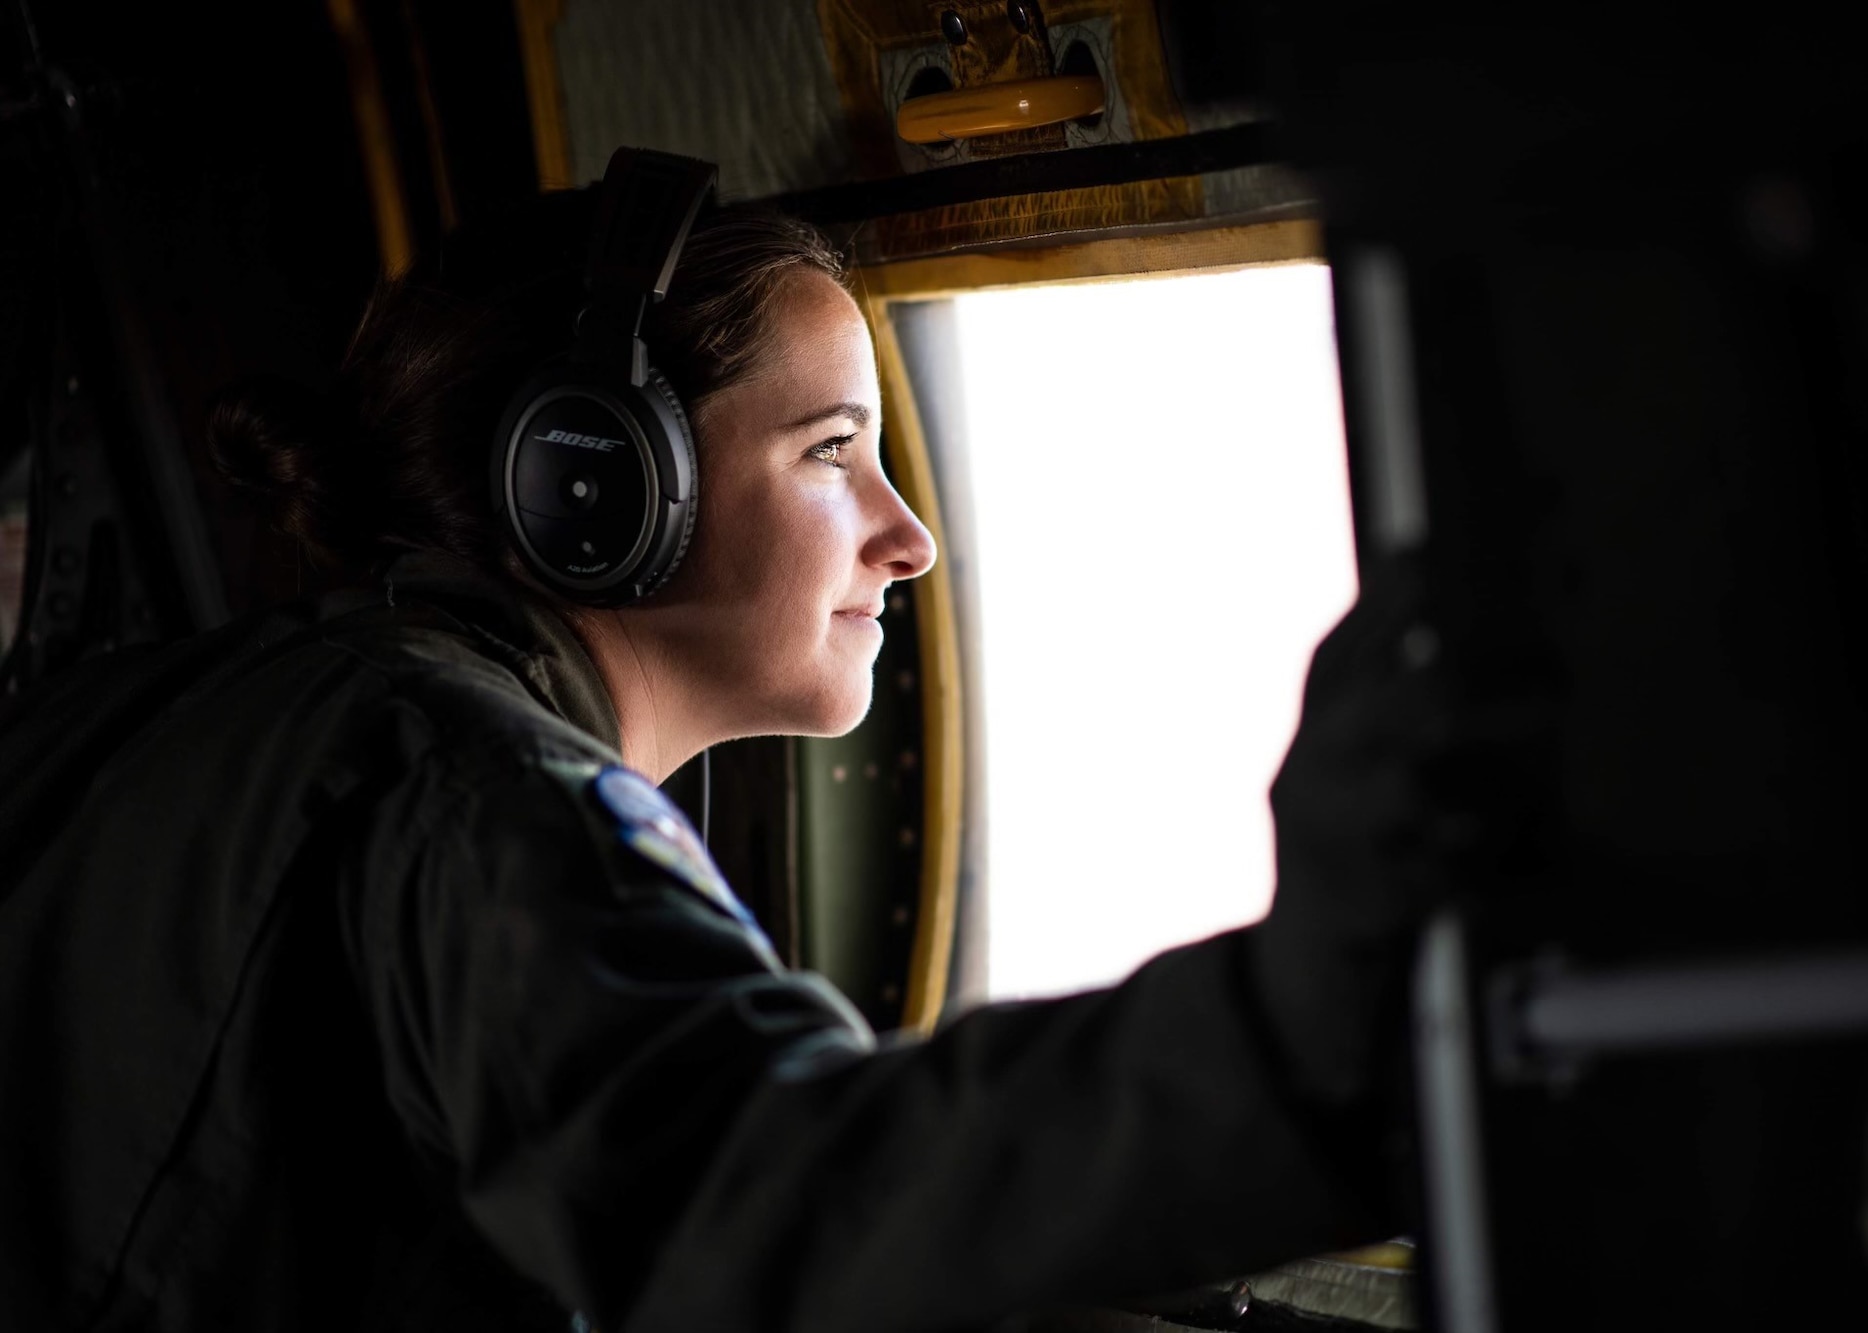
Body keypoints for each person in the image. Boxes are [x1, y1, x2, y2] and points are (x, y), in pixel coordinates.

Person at [0, 151, 1539, 1332]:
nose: (910, 538)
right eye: (833, 454)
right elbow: (763, 1208)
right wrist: (1299, 1021)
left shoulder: (195, 710)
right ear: (594, 484)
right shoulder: (468, 790)